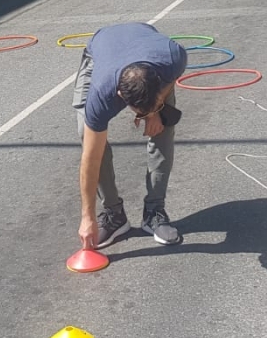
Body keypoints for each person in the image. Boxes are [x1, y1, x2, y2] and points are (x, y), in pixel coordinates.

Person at [72, 23, 187, 251]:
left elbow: (171, 80)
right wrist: (87, 217)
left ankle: (154, 212)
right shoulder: (102, 95)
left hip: (146, 42)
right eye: (138, 111)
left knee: (163, 128)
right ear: (120, 97)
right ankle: (113, 215)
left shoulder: (173, 58)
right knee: (88, 136)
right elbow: (90, 159)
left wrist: (154, 112)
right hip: (101, 50)